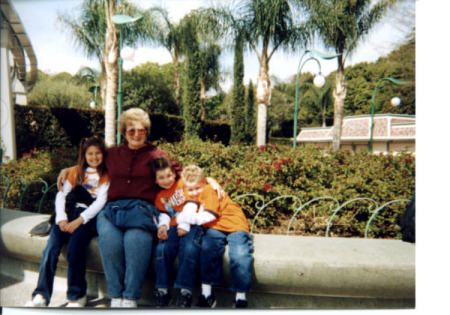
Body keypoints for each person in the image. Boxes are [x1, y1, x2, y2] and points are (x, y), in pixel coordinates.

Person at [56, 108, 222, 308]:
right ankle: (115, 297)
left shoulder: (157, 155)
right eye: (131, 130)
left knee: (136, 243)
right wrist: (67, 170)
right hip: (111, 211)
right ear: (124, 132)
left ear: (147, 132)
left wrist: (210, 180)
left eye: (141, 130)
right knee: (110, 244)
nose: (136, 134)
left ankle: (130, 298)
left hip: (142, 212)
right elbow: (91, 163)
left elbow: (186, 174)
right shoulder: (113, 154)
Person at [26, 136, 110, 307]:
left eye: (98, 153)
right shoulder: (76, 172)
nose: (94, 157)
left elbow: (100, 202)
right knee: (51, 248)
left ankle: (76, 295)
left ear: (104, 155)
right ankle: (41, 294)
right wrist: (62, 219)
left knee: (74, 248)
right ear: (84, 155)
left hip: (88, 217)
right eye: (90, 154)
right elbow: (61, 195)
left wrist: (79, 221)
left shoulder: (106, 176)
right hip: (67, 213)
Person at [177, 165, 254, 308]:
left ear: (204, 182)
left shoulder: (208, 190)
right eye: (191, 189)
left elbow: (209, 215)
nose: (194, 192)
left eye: (197, 188)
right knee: (207, 251)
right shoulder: (189, 188)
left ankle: (240, 298)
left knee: (240, 255)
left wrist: (186, 218)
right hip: (215, 226)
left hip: (234, 225)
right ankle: (207, 294)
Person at [151, 156, 203, 307]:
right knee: (162, 248)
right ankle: (162, 290)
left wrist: (185, 225)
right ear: (155, 180)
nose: (166, 180)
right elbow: (165, 214)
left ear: (175, 174)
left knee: (189, 249)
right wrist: (162, 227)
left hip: (191, 224)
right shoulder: (160, 196)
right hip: (174, 227)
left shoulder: (182, 184)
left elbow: (192, 204)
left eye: (169, 175)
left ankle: (184, 291)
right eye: (161, 178)